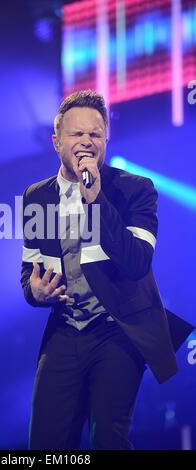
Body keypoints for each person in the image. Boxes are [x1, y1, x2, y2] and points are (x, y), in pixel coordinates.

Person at [20, 90, 194, 450]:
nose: (86, 141)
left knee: (109, 439)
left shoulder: (135, 190)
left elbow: (135, 263)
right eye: (76, 134)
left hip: (118, 327)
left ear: (106, 140)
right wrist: (35, 293)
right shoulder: (37, 197)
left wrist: (95, 199)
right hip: (66, 328)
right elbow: (29, 274)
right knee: (45, 441)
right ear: (56, 143)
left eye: (95, 134)